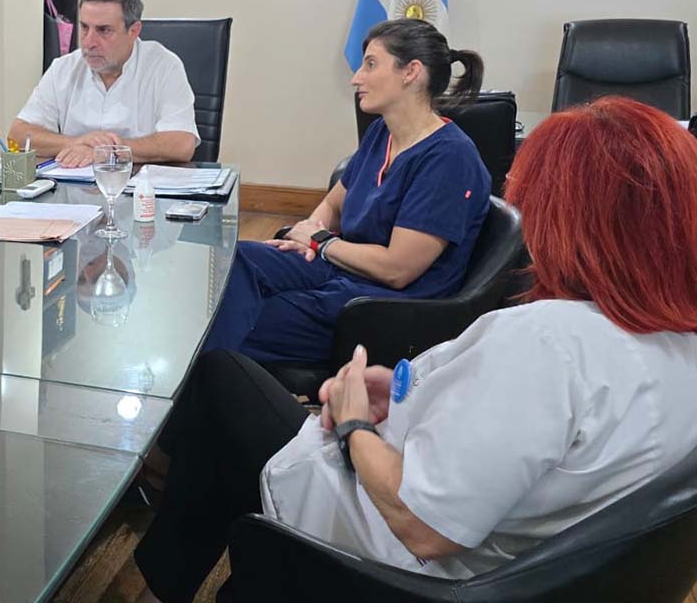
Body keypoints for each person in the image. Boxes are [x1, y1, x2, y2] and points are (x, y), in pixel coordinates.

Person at [132, 96, 697, 601]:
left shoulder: (546, 345)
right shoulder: (673, 343)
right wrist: (407, 396)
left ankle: (166, 572)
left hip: (389, 560)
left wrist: (354, 425)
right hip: (507, 549)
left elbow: (422, 525)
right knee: (227, 393)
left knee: (222, 381)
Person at [202, 18, 490, 364]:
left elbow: (397, 270)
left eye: (371, 65)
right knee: (236, 259)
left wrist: (321, 241)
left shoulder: (449, 158)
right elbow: (334, 204)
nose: (356, 78)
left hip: (380, 305)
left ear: (411, 72)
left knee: (242, 321)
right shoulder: (381, 133)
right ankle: (205, 371)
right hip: (343, 269)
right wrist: (306, 237)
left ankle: (203, 382)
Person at [8, 0, 199, 168]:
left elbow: (181, 144)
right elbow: (17, 135)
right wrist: (76, 143)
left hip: (139, 184)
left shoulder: (163, 66)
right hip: (73, 183)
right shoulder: (64, 68)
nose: (89, 42)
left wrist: (108, 151)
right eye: (84, 27)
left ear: (133, 31)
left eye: (104, 30)